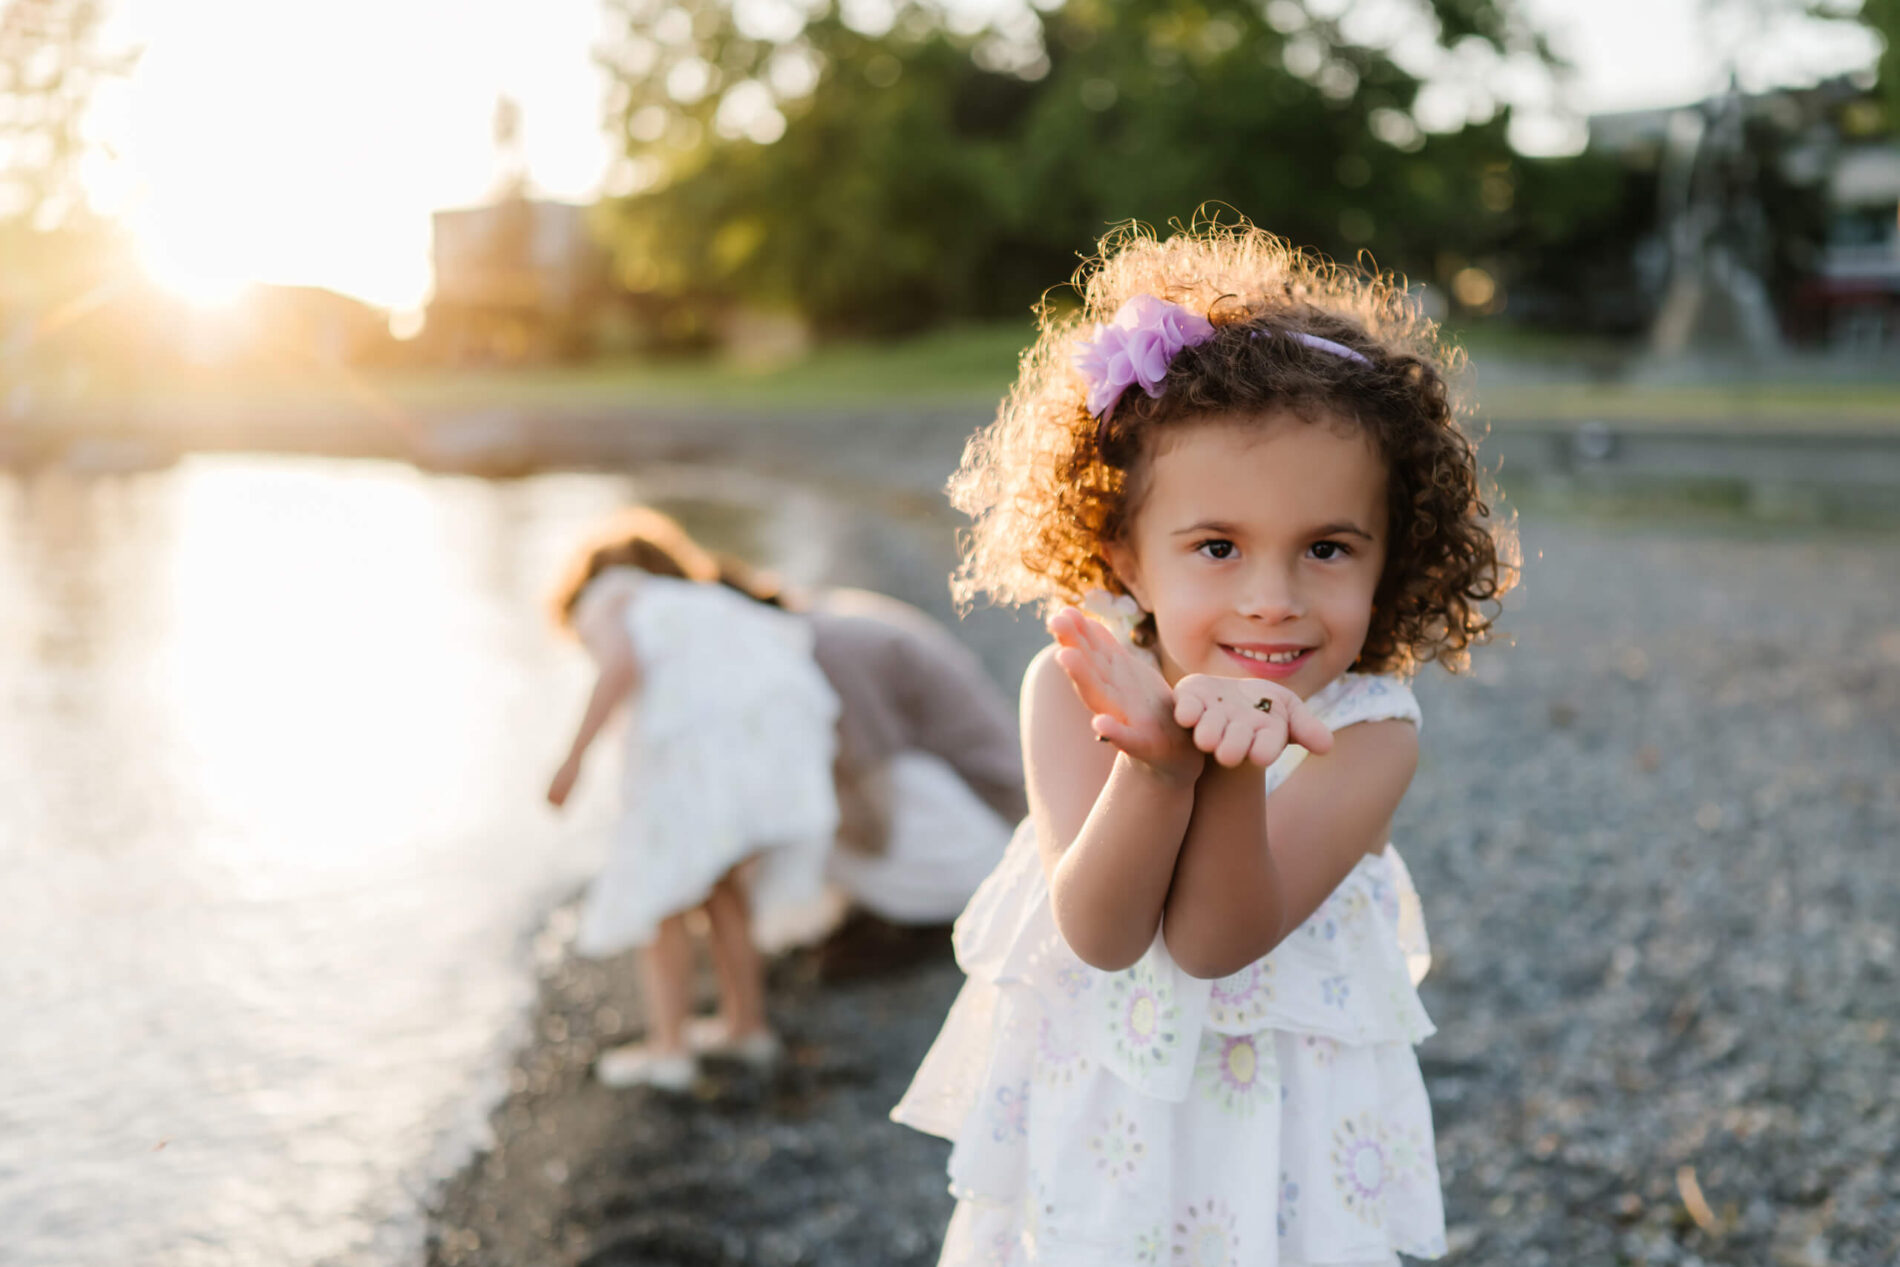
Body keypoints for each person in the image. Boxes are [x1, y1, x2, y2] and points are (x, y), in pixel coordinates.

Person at [891, 218, 1516, 1264]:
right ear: (1124, 555)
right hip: (1107, 1119)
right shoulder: (1076, 688)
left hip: (1281, 1135)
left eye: (1326, 548)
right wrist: (1155, 766)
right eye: (1216, 547)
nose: (1271, 601)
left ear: (1389, 559)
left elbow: (1217, 939)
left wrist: (1222, 769)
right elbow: (1103, 930)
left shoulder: (1368, 733)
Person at [545, 509, 842, 1091]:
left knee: (662, 899)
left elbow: (619, 667)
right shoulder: (697, 600)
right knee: (723, 888)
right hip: (741, 755)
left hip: (685, 758)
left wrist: (572, 758)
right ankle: (747, 1028)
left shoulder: (609, 593)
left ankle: (670, 1050)